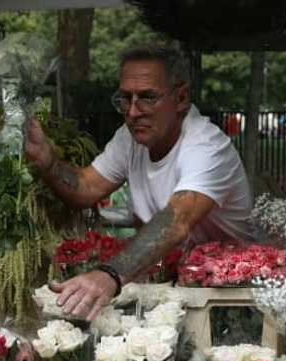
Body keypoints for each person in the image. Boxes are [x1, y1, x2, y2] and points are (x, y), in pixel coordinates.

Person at [25, 45, 255, 320]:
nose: (133, 112)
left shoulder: (206, 145)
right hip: (173, 287)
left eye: (147, 98)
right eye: (125, 98)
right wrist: (48, 162)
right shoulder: (130, 137)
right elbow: (87, 187)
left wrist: (109, 275)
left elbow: (176, 220)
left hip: (231, 298)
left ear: (181, 98)